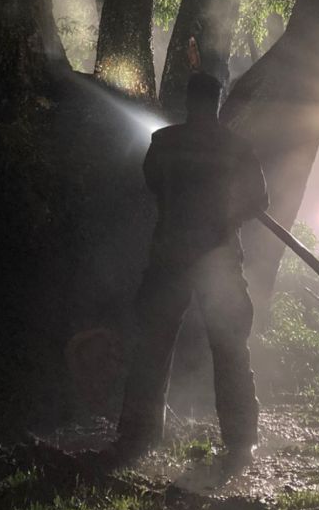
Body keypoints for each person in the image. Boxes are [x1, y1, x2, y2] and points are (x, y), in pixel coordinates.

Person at [115, 71, 268, 468]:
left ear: (188, 100)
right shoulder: (236, 147)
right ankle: (241, 442)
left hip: (169, 258)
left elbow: (151, 185)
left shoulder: (162, 142)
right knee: (231, 346)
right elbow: (259, 201)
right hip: (218, 259)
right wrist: (226, 214)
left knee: (153, 344)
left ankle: (138, 437)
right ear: (216, 101)